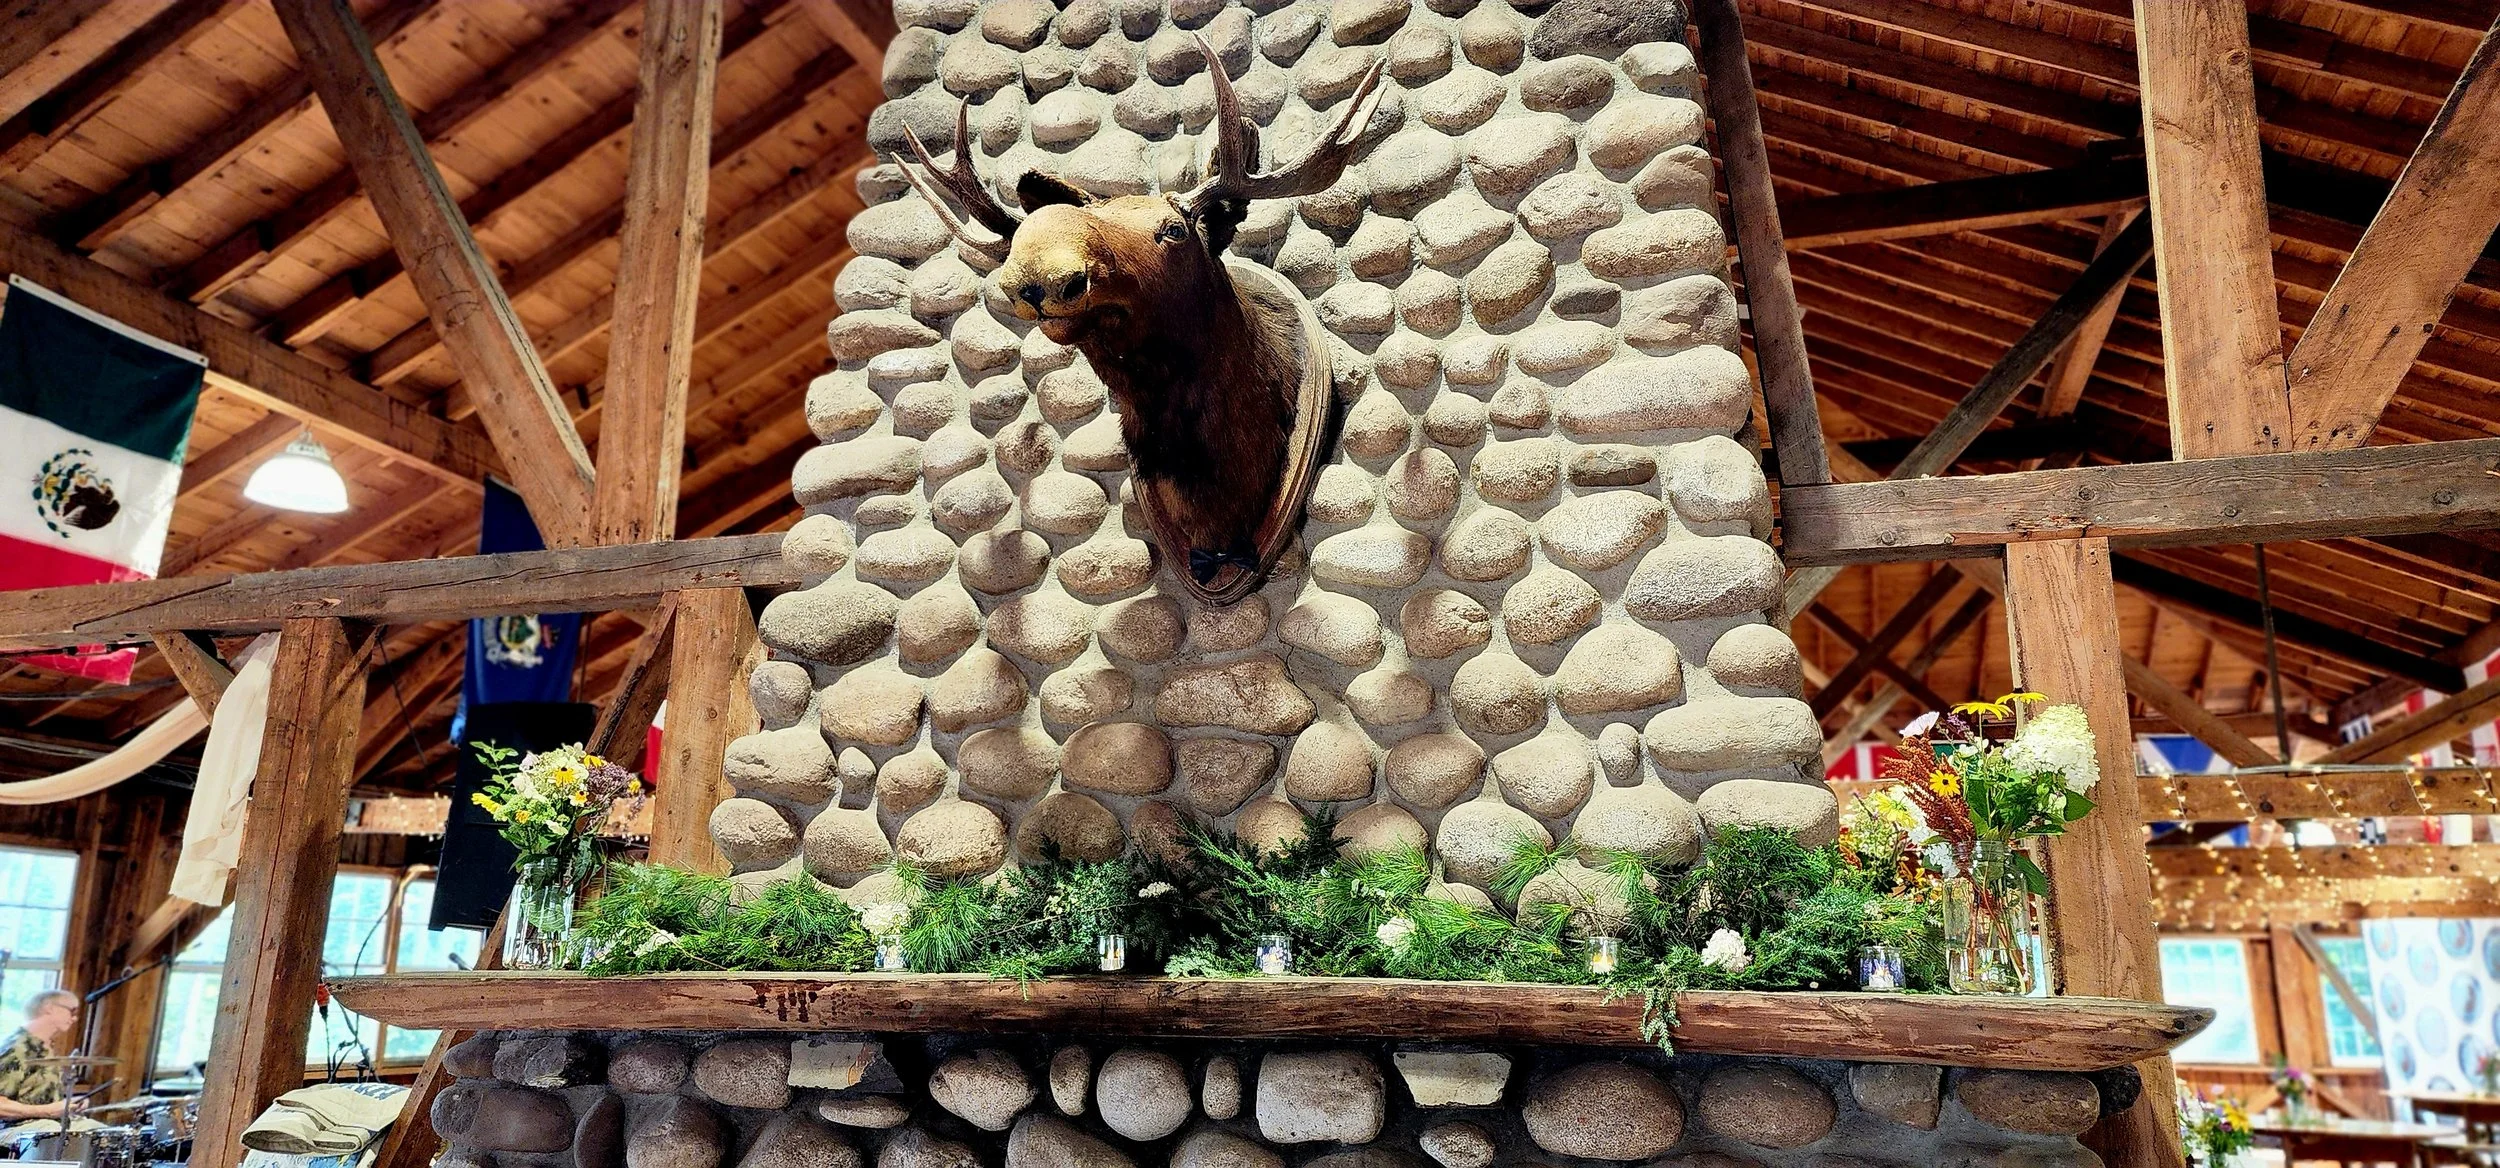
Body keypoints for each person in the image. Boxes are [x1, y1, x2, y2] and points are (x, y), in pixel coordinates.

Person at [0, 991, 78, 1122]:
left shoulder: (44, 1047)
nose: (74, 1018)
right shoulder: (17, 1048)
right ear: (50, 1008)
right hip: (19, 1129)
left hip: (46, 1125)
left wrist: (68, 1104)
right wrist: (46, 1111)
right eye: (72, 1011)